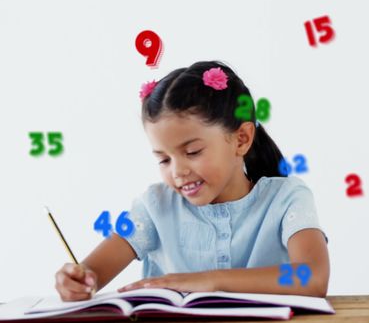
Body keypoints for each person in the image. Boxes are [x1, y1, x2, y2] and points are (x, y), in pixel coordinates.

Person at [54, 61, 329, 301]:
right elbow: (92, 275)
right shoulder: (154, 207)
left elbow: (312, 277)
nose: (177, 171)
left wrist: (211, 281)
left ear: (241, 139)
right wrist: (76, 282)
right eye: (164, 159)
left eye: (192, 152)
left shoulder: (287, 198)